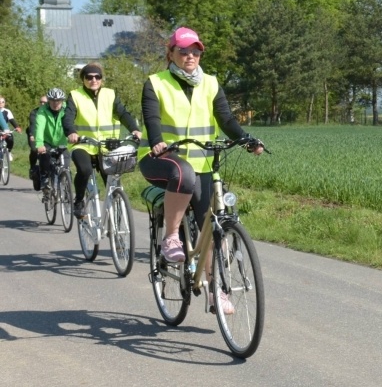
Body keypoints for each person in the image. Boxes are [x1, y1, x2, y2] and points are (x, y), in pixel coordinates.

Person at [138, 27, 264, 314]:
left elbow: (227, 119)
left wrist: (246, 140)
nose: (190, 56)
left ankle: (214, 290)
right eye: (183, 51)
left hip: (204, 163)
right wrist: (157, 142)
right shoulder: (155, 83)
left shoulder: (210, 83)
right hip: (163, 159)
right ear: (170, 54)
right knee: (182, 174)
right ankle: (171, 236)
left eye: (195, 51)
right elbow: (152, 117)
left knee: (212, 225)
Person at [63, 63, 142, 218]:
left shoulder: (110, 94)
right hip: (83, 144)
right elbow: (67, 118)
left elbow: (123, 113)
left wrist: (135, 129)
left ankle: (116, 208)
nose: (94, 80)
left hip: (108, 145)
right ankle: (79, 201)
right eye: (89, 77)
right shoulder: (75, 95)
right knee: (84, 170)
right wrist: (71, 132)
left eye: (97, 76)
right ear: (83, 79)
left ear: (102, 79)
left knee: (112, 180)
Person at [35, 88, 69, 191]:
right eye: (53, 101)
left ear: (62, 101)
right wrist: (40, 144)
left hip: (63, 142)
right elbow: (39, 127)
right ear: (48, 100)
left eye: (58, 100)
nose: (55, 103)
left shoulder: (67, 109)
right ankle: (44, 178)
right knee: (44, 155)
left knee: (66, 165)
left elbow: (72, 123)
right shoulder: (42, 111)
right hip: (47, 141)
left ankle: (66, 184)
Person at [26, 96, 47, 186]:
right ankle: (32, 167)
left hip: (46, 135)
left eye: (45, 102)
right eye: (41, 102)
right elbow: (33, 124)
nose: (42, 104)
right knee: (34, 149)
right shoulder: (35, 112)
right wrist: (32, 135)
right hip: (34, 133)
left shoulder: (50, 111)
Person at [0, 96, 23, 160]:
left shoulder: (7, 111)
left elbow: (12, 120)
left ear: (4, 103)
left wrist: (17, 127)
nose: (1, 104)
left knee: (10, 139)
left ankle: (8, 152)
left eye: (2, 102)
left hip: (5, 130)